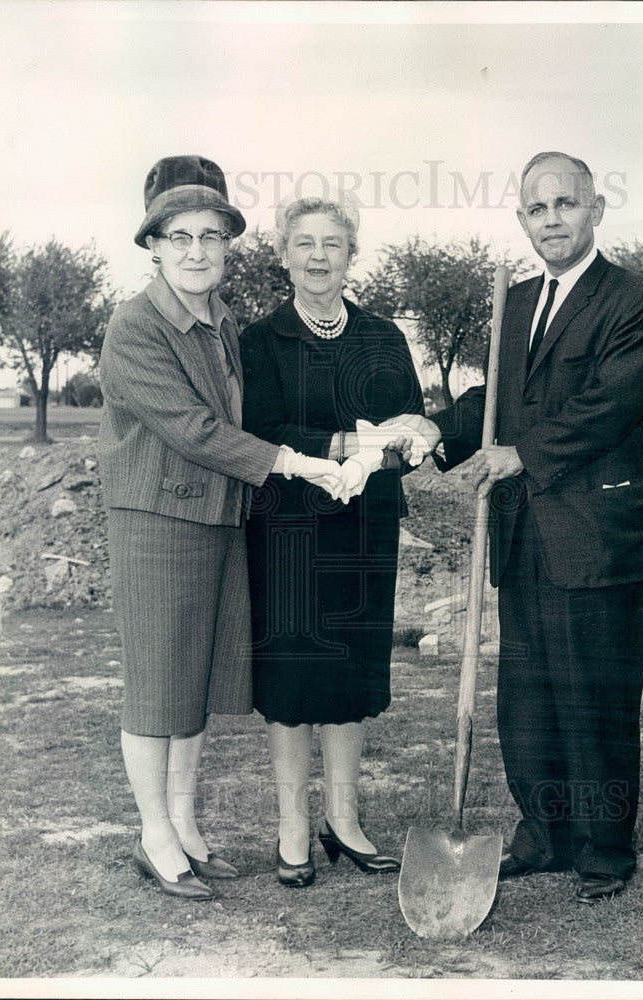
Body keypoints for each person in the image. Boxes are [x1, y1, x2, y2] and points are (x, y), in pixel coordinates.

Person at [386, 152, 643, 902]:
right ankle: (543, 834)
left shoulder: (638, 300)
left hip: (597, 533)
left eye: (565, 204)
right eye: (537, 209)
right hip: (520, 534)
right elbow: (494, 400)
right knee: (531, 699)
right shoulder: (511, 304)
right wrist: (435, 435)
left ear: (595, 209)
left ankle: (605, 850)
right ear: (522, 220)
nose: (552, 219)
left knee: (595, 697)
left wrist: (522, 454)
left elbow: (612, 404)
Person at [98, 156, 344, 901]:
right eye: (181, 237)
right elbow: (198, 430)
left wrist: (334, 444)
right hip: (156, 521)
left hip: (214, 516)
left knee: (195, 681)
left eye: (212, 236)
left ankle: (184, 826)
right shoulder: (136, 326)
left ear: (229, 245)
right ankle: (153, 838)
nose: (198, 250)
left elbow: (235, 421)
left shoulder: (220, 319)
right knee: (155, 687)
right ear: (155, 246)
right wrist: (296, 463)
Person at [239, 190, 424, 887]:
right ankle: (292, 829)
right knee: (291, 679)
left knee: (349, 678)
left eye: (333, 244)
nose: (319, 257)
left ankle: (343, 823)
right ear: (284, 255)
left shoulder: (384, 337)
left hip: (366, 528)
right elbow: (261, 429)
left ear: (352, 255)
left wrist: (398, 443)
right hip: (287, 529)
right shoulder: (260, 341)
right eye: (305, 243)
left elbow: (406, 425)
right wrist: (346, 441)